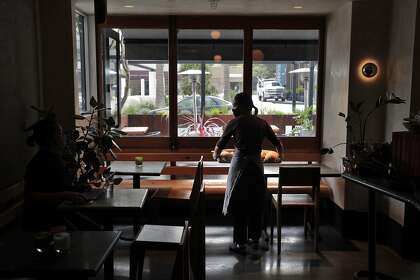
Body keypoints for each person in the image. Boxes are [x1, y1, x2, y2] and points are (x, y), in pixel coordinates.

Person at [213, 92, 283, 255]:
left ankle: (239, 243)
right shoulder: (262, 123)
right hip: (257, 168)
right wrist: (281, 156)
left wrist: (216, 155)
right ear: (250, 107)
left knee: (239, 205)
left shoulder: (234, 123)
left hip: (239, 169)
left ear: (237, 108)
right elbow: (278, 144)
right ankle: (255, 238)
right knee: (255, 203)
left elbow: (220, 145)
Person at [24, 117, 94, 231]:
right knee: (93, 231)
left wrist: (78, 188)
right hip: (43, 220)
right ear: (51, 139)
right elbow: (31, 197)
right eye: (60, 133)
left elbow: (57, 187)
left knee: (94, 228)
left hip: (59, 212)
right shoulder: (40, 162)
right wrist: (66, 195)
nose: (64, 136)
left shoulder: (55, 159)